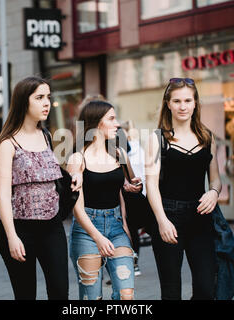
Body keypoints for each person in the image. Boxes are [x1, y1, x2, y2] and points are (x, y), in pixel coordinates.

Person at [0, 76, 81, 300]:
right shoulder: (8, 144)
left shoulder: (47, 136)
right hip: (20, 230)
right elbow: (2, 195)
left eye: (48, 97)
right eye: (39, 97)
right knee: (25, 294)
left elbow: (54, 173)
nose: (47, 103)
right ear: (24, 102)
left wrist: (76, 172)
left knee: (60, 292)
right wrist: (12, 237)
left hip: (52, 228)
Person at [145, 78, 222, 300]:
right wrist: (162, 221)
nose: (183, 106)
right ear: (168, 103)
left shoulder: (207, 137)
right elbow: (151, 184)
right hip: (168, 215)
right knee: (171, 291)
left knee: (206, 287)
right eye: (177, 101)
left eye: (188, 100)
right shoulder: (157, 139)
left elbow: (216, 180)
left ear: (195, 103)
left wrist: (214, 193)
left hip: (201, 217)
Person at [67, 100, 140, 300]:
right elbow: (77, 210)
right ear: (96, 123)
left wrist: (125, 222)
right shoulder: (77, 159)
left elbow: (125, 189)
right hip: (86, 232)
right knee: (92, 298)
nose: (117, 124)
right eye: (111, 119)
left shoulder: (119, 153)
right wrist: (98, 238)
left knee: (126, 295)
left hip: (116, 228)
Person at [121, 120, 147, 276]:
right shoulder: (136, 148)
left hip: (131, 192)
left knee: (130, 228)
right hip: (131, 191)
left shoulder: (131, 148)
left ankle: (132, 261)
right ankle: (132, 261)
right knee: (131, 229)